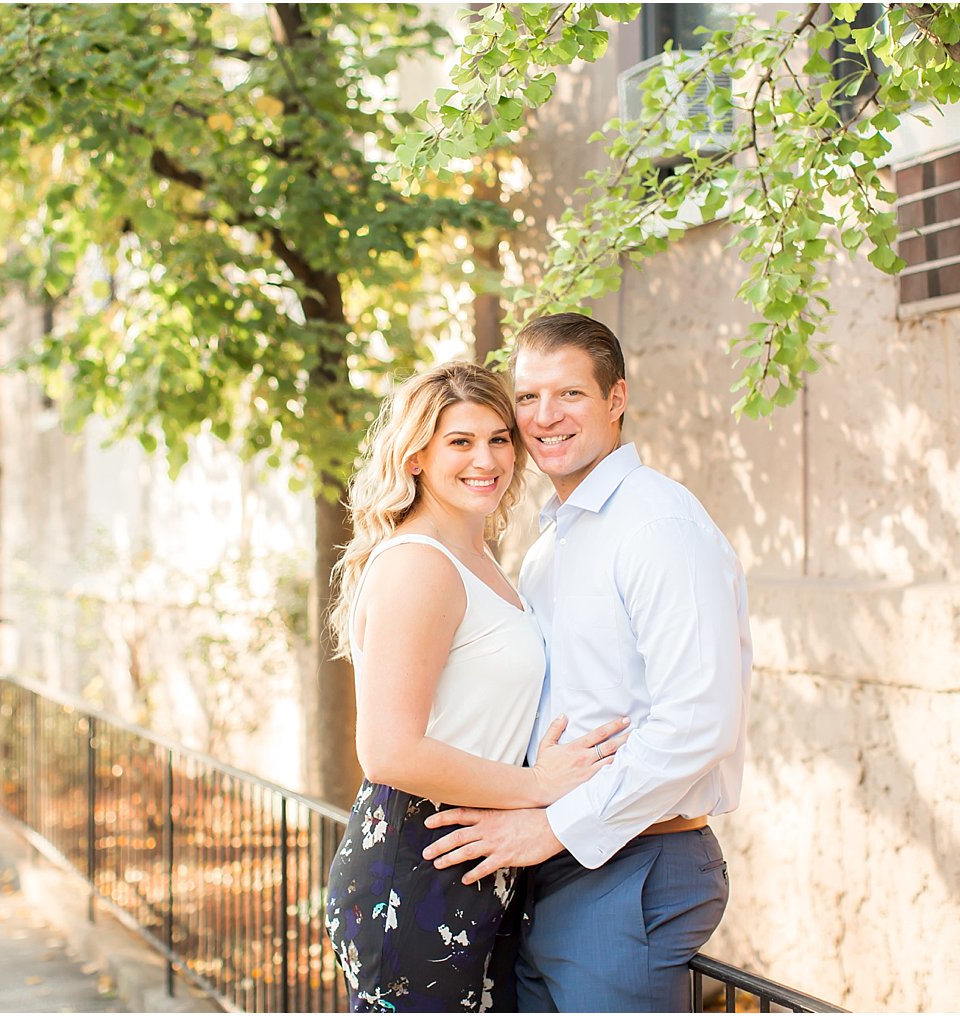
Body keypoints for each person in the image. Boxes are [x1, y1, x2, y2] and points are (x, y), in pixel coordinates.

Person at [422, 314, 753, 1013]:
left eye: (569, 394)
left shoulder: (658, 527)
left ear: (616, 399)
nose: (544, 417)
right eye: (529, 397)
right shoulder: (549, 547)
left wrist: (549, 827)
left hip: (632, 862)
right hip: (553, 861)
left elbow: (699, 722)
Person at [322, 360, 630, 1013]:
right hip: (417, 859)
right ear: (415, 457)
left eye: (498, 439)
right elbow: (389, 752)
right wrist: (539, 789)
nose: (485, 458)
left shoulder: (479, 556)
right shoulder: (417, 566)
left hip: (475, 858)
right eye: (459, 442)